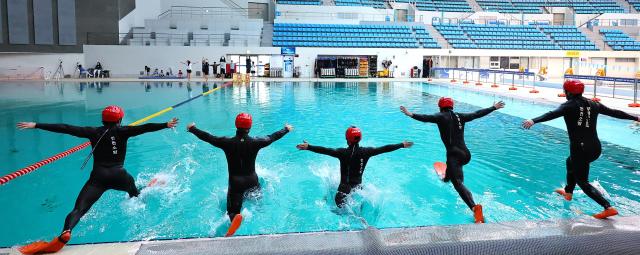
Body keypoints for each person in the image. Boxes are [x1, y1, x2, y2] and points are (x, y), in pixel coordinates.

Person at [16, 106, 178, 254]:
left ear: (103, 119)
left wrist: (36, 125)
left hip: (98, 178)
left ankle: (66, 232)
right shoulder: (124, 131)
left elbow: (65, 128)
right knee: (134, 193)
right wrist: (165, 124)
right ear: (119, 120)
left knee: (79, 209)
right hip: (120, 175)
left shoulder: (92, 131)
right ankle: (139, 193)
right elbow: (145, 128)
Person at [522, 80, 640, 219]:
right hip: (595, 147)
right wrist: (635, 117)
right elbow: (614, 112)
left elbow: (551, 114)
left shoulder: (568, 105)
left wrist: (533, 120)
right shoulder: (593, 103)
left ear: (568, 92)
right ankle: (568, 193)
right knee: (570, 162)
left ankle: (608, 207)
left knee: (582, 181)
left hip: (580, 149)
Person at [400, 99, 505, 223]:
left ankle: (474, 208)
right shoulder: (461, 116)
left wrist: (410, 114)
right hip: (466, 154)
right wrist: (493, 107)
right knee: (451, 167)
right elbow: (477, 114)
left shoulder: (440, 116)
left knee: (458, 184)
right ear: (452, 107)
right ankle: (446, 178)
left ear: (440, 107)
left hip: (454, 155)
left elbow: (426, 117)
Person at [186, 113, 292, 236]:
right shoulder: (257, 142)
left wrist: (192, 128)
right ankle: (254, 214)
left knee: (232, 211)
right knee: (257, 204)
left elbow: (209, 137)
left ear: (236, 125)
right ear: (250, 126)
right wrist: (286, 129)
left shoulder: (226, 142)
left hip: (235, 184)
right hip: (252, 181)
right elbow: (272, 137)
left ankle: (234, 218)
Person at [296, 126, 412, 208]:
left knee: (337, 208)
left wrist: (309, 147)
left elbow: (326, 150)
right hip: (358, 188)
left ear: (347, 139)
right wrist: (401, 144)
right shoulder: (367, 152)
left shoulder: (342, 153)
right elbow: (384, 148)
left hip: (343, 189)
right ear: (360, 139)